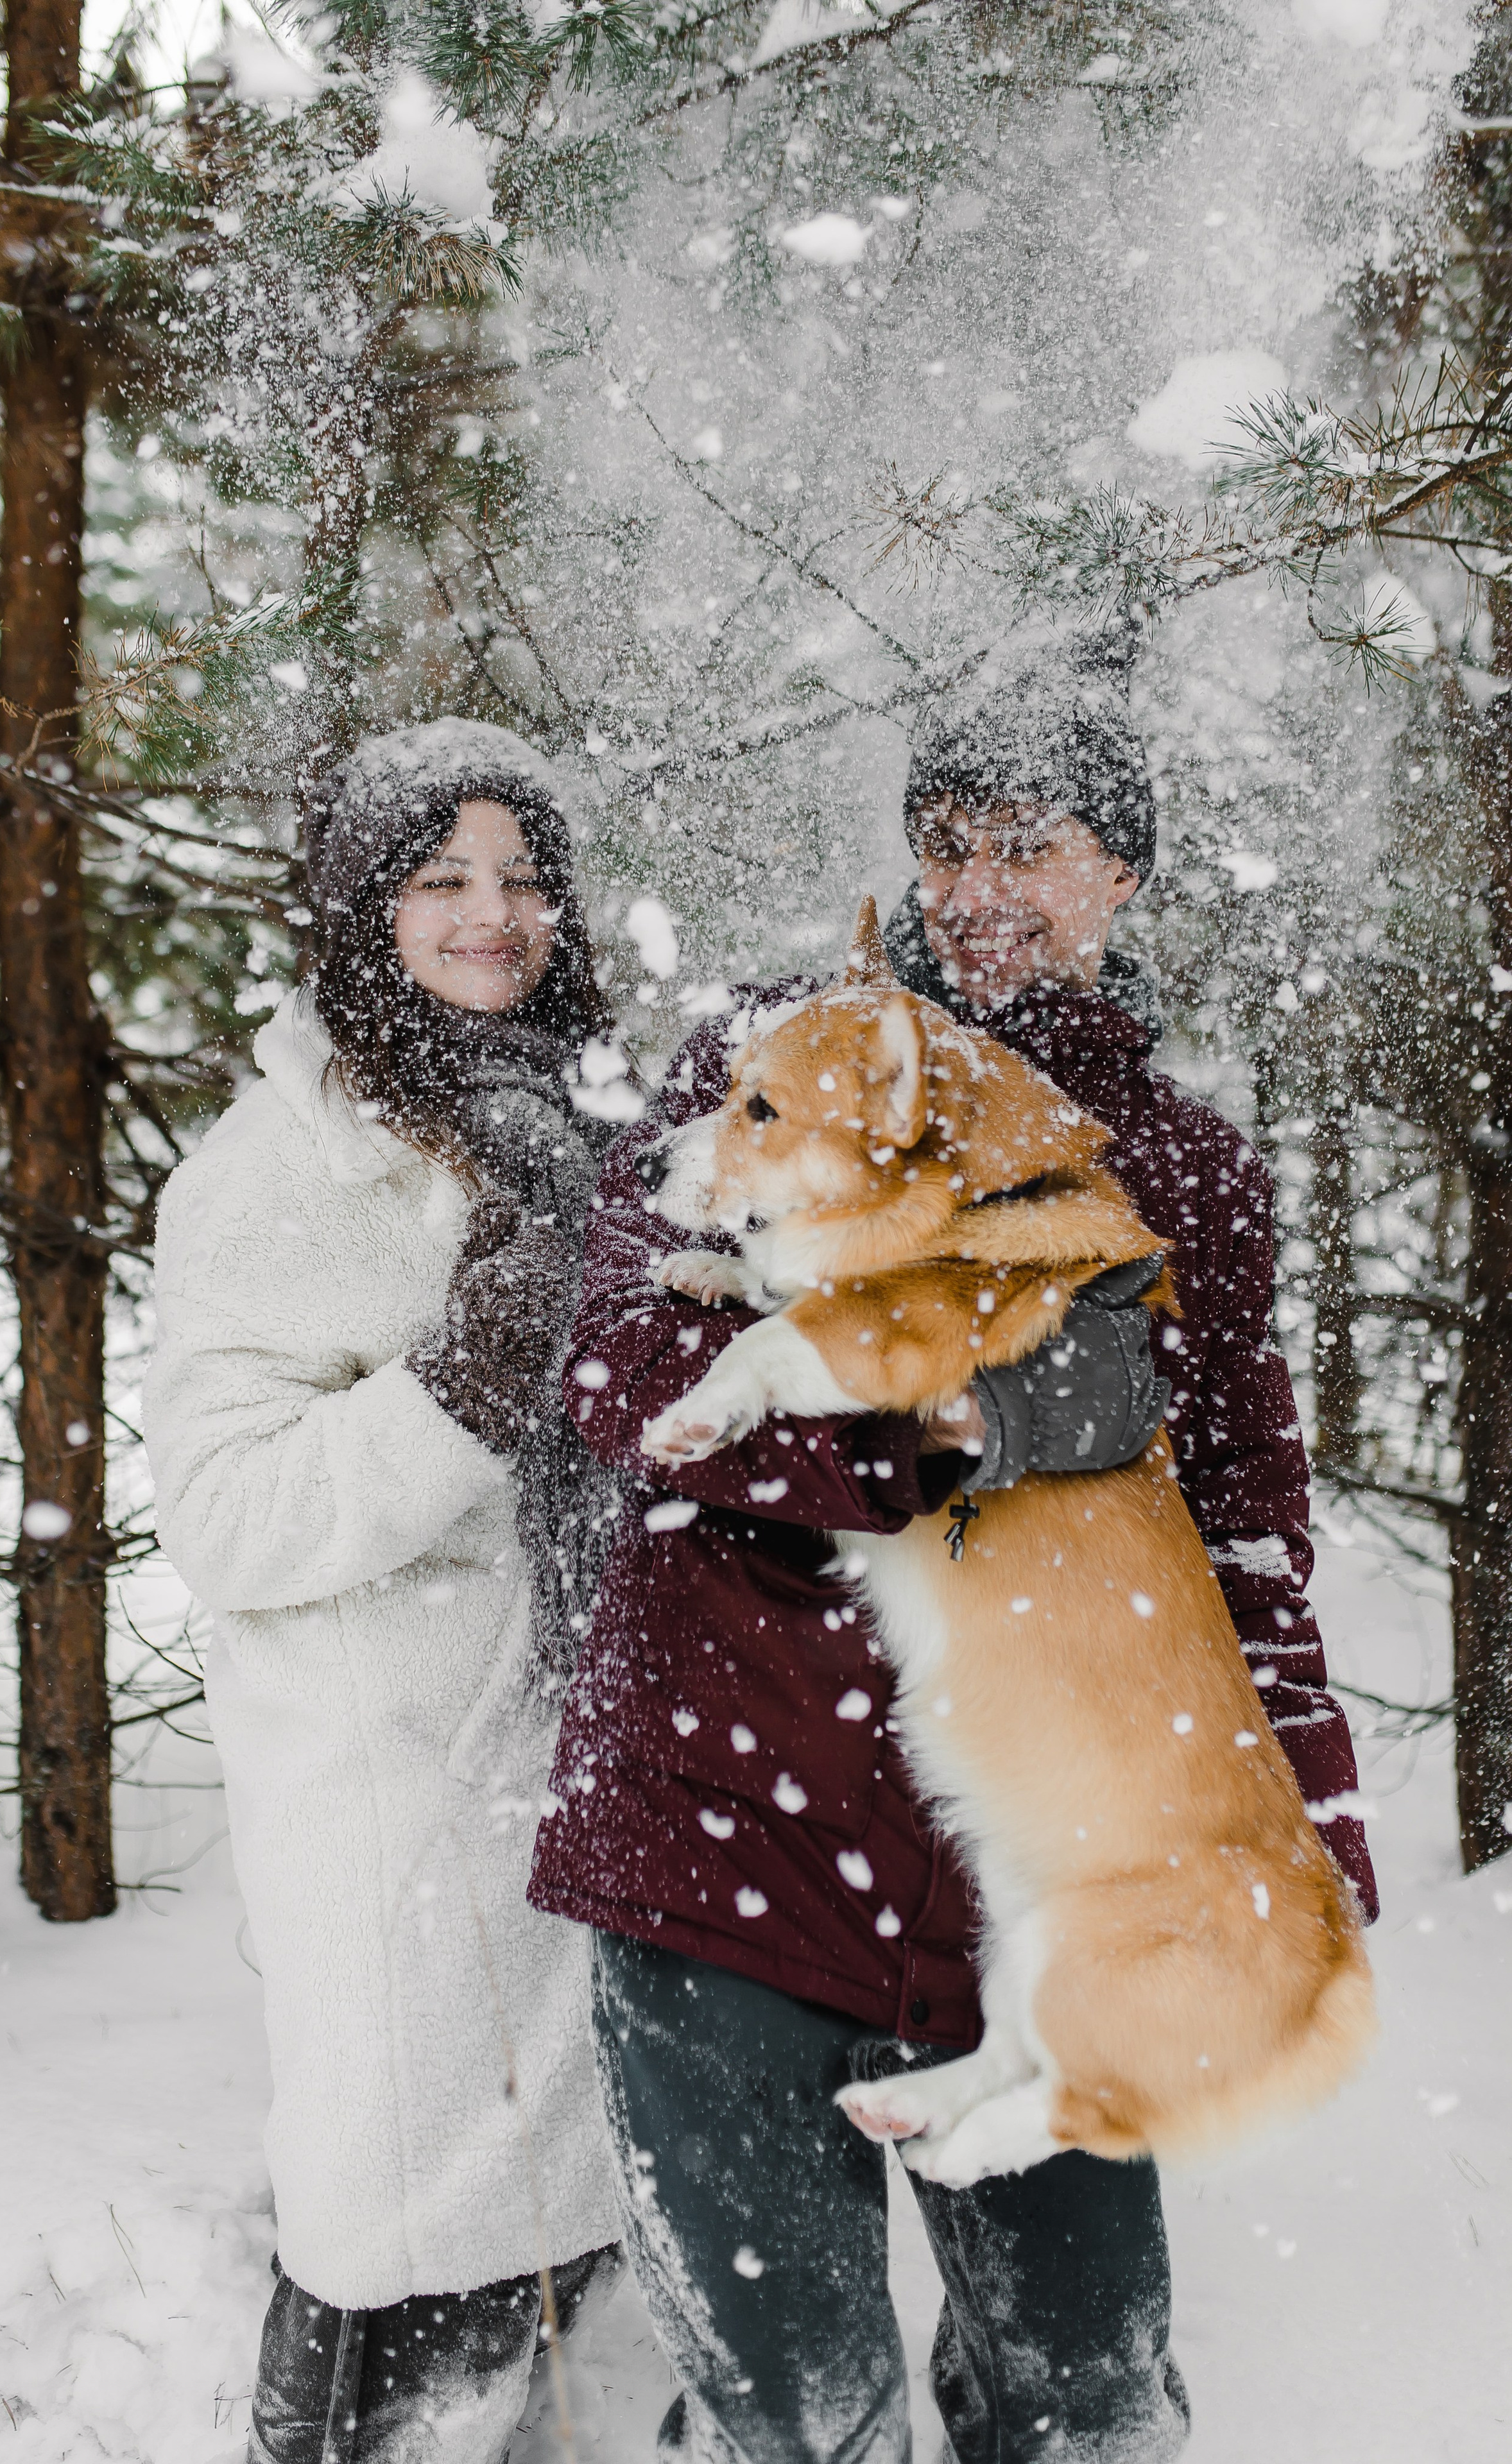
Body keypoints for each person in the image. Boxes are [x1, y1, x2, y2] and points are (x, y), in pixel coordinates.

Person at [526, 635, 1377, 2464]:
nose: (981, 892)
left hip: (1023, 1880)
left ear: (1122, 875)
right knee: (794, 2418)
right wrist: (950, 1422)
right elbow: (624, 1352)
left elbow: (1240, 1527)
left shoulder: (1183, 1168)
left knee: (1089, 2407)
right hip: (726, 1829)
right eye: (951, 842)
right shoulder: (774, 1052)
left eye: (1034, 846)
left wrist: (1310, 1834)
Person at [144, 718, 623, 2464]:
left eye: (521, 878)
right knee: (401, 2261)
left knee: (550, 2272)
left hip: (574, 1774)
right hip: (401, 1811)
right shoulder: (272, 1175)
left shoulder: (576, 1126)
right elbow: (228, 1511)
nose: (490, 917)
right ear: (364, 910)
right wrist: (462, 1395)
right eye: (441, 880)